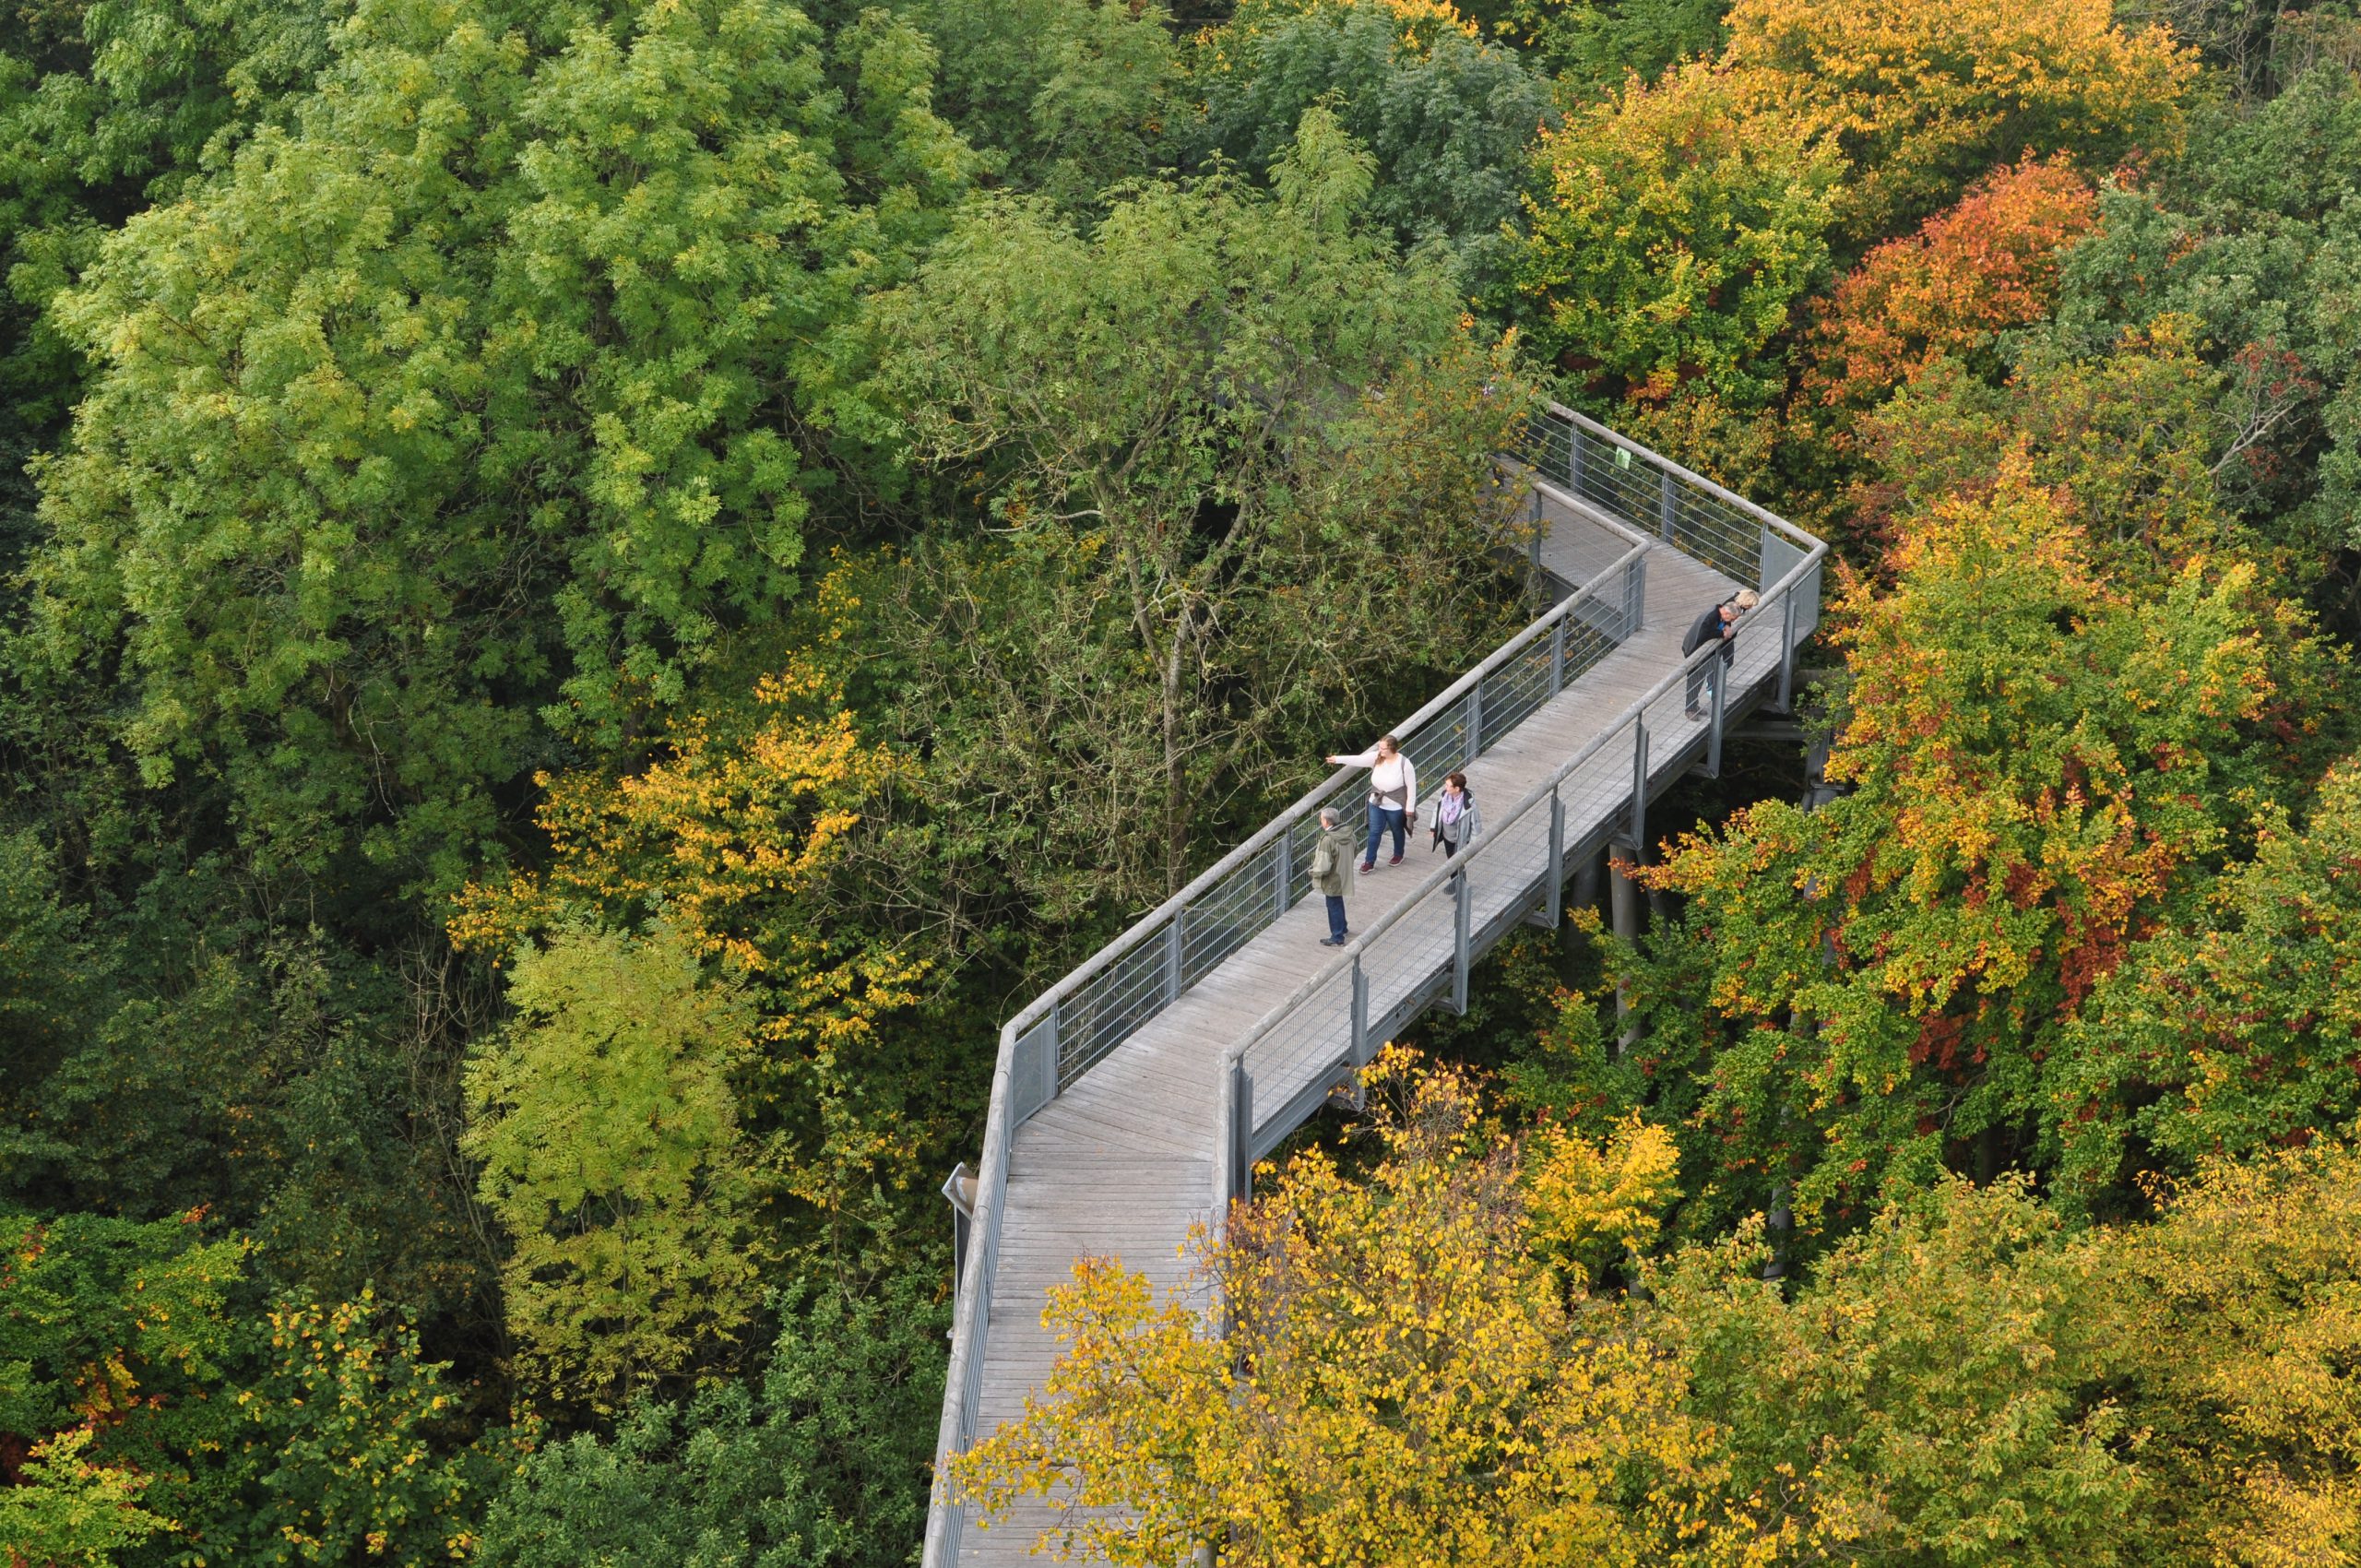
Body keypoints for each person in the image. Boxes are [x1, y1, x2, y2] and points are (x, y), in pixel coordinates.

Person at [1327, 734, 1418, 871]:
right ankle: (1369, 862)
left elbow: (1412, 787)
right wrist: (1337, 759)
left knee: (1397, 830)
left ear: (1392, 748)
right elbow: (1358, 759)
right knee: (1374, 832)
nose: (1380, 750)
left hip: (1395, 805)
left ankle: (1398, 854)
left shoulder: (1405, 764)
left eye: (1383, 748)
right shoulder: (1376, 757)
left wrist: (1410, 809)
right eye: (1379, 747)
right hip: (1376, 802)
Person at [1682, 588, 1759, 719]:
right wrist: (1722, 633)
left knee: (1700, 677)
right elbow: (1702, 636)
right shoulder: (1711, 617)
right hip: (1694, 649)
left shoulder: (1722, 613)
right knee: (1695, 678)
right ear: (1727, 615)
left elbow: (1723, 624)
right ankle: (1690, 709)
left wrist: (1726, 628)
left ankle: (1693, 706)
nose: (1733, 621)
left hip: (1705, 650)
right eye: (1733, 619)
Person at [1309, 805, 1357, 945]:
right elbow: (1355, 849)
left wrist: (1313, 872)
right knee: (1338, 900)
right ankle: (1343, 927)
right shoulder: (1349, 833)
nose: (1320, 820)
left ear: (1326, 822)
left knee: (1333, 904)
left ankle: (1337, 937)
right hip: (1344, 872)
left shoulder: (1328, 840)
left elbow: (1323, 865)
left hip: (1333, 877)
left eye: (1321, 818)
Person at [1428, 771, 1482, 859]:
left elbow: (1476, 825)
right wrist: (1434, 828)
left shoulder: (1469, 804)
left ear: (1457, 789)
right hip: (1447, 837)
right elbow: (1437, 811)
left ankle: (1458, 873)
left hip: (1459, 839)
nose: (1446, 787)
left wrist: (1473, 845)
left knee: (1456, 863)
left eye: (1448, 786)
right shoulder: (1444, 796)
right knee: (1451, 859)